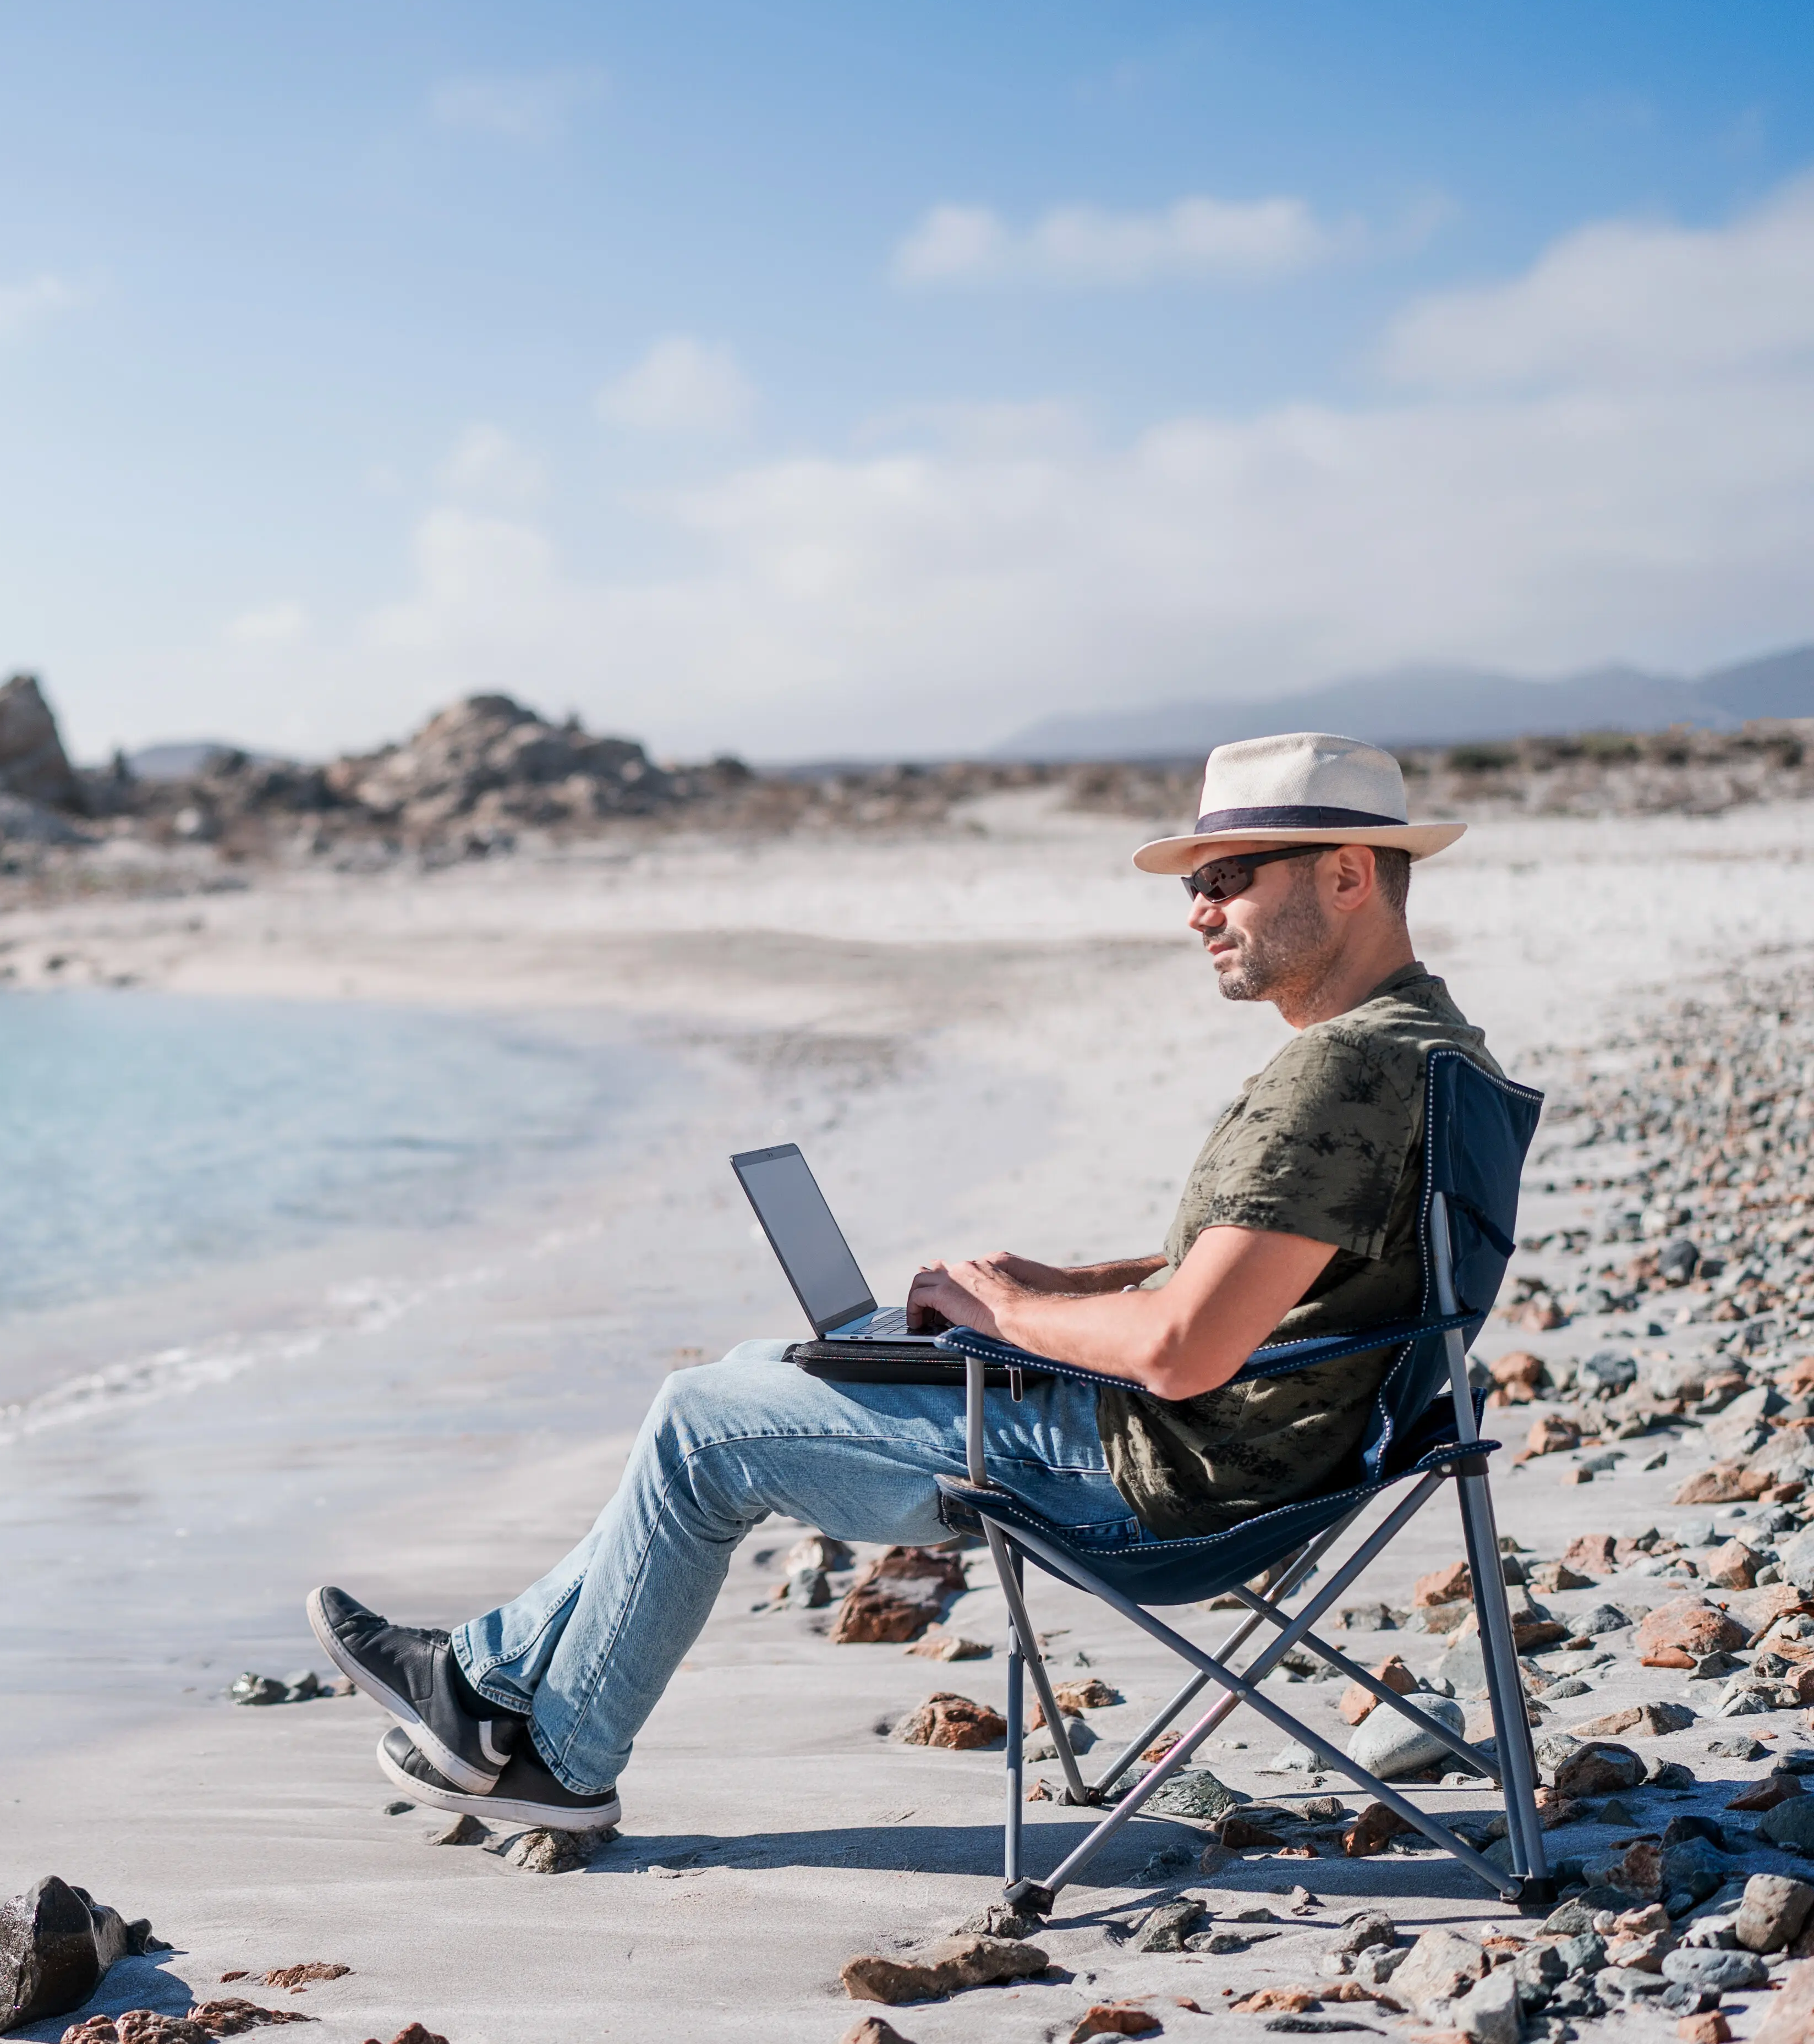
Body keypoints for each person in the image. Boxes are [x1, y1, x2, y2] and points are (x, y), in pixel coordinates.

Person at [308, 732, 1503, 1832]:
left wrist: (1003, 1313)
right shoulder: (1427, 1043)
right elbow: (1293, 1268)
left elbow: (1187, 1349)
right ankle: (488, 1679)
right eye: (1192, 883)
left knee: (700, 1424)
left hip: (1164, 1473)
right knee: (750, 1374)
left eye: (1226, 875)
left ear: (1348, 874)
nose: (1196, 911)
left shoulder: (1338, 1074)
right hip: (1261, 1450)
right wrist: (1066, 1280)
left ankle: (558, 1756)